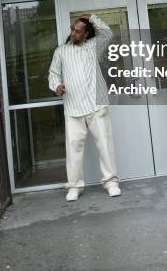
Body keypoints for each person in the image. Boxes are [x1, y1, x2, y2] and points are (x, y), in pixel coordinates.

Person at [48, 13, 121, 201]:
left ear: (86, 34)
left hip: (96, 105)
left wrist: (93, 17)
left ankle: (111, 183)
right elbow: (53, 74)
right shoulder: (61, 51)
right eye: (72, 29)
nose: (73, 33)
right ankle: (74, 186)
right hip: (73, 107)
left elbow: (108, 34)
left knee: (105, 145)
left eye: (78, 31)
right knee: (73, 149)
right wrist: (56, 86)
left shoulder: (93, 47)